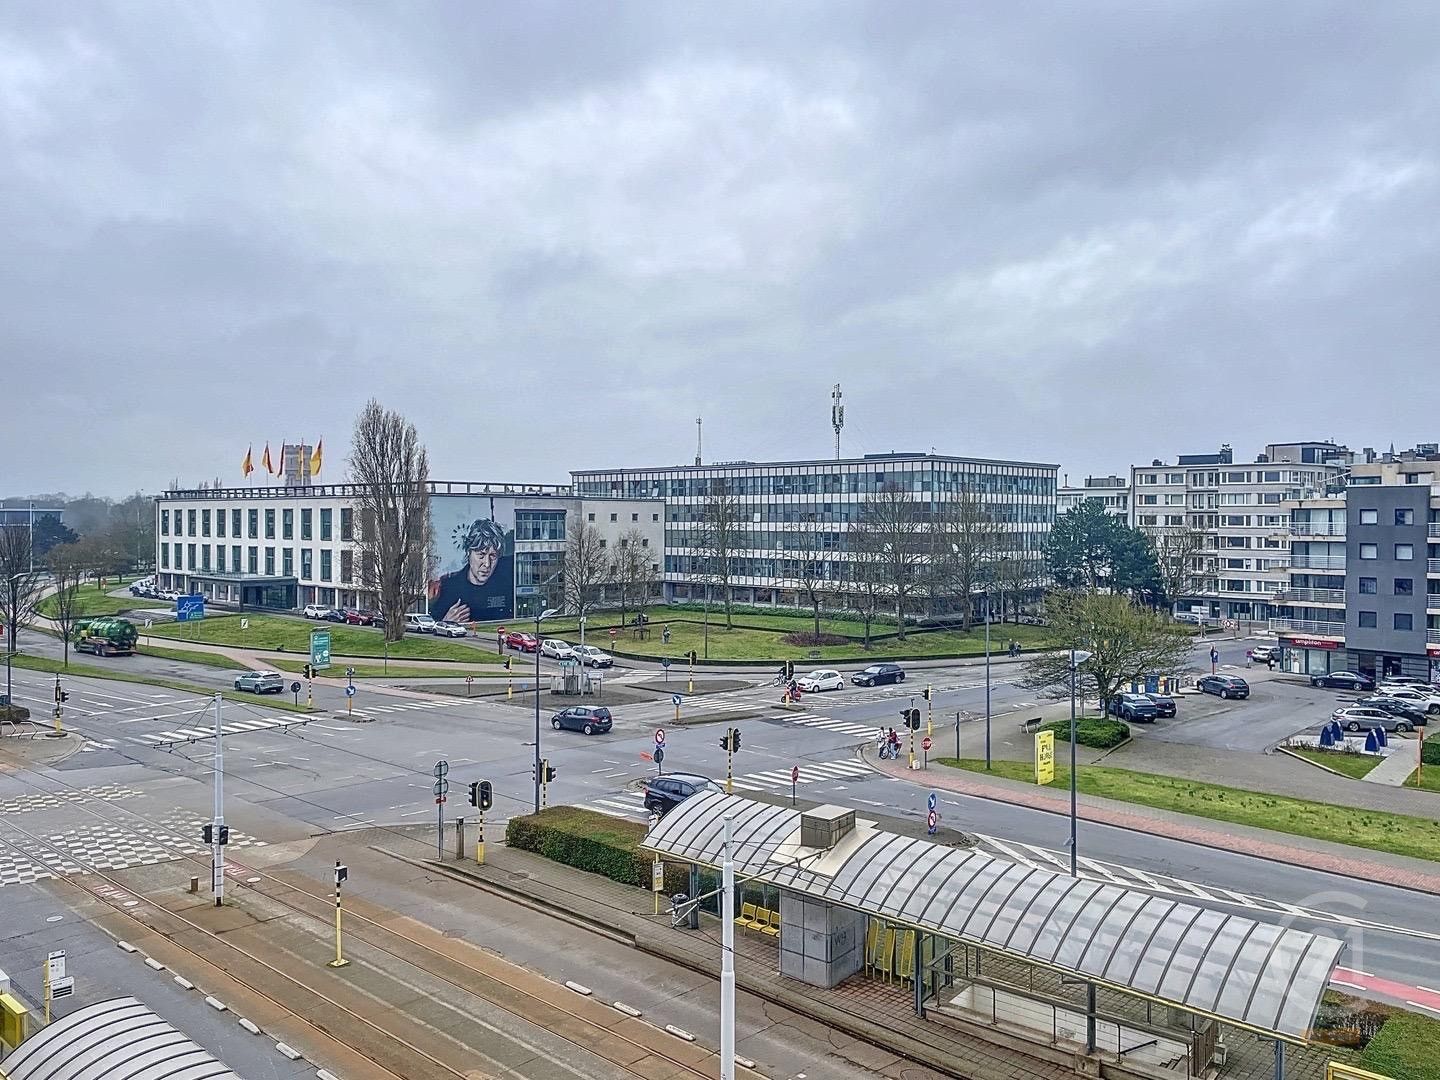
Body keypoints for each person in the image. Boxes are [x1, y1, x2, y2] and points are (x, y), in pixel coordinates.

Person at [430, 517, 513, 624]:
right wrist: (446, 622)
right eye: (481, 555)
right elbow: (430, 627)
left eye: (493, 556)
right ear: (469, 552)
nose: (487, 564)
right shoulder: (448, 587)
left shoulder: (506, 582)